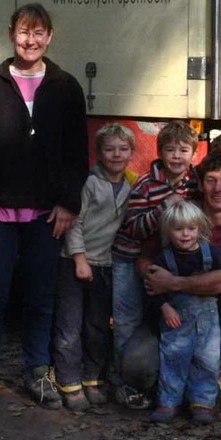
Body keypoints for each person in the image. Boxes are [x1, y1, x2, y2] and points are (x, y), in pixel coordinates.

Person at [0, 2, 88, 427]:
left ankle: (37, 372)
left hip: (45, 216)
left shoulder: (65, 88)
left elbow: (76, 153)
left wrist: (68, 203)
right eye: (22, 32)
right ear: (11, 34)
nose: (30, 41)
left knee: (39, 299)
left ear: (49, 37)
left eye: (38, 33)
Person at [111, 124, 221, 409]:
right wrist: (155, 280)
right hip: (174, 310)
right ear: (200, 183)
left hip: (215, 310)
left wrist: (174, 282)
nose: (218, 189)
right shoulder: (182, 215)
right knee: (136, 365)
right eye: (212, 181)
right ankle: (164, 389)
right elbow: (144, 257)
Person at [110, 120, 201, 409]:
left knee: (174, 320)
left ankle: (170, 382)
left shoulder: (195, 185)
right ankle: (125, 382)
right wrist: (163, 207)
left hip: (168, 263)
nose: (176, 156)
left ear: (193, 155)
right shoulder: (146, 186)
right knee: (127, 319)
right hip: (129, 257)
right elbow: (134, 227)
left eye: (183, 150)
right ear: (160, 152)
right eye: (170, 150)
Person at [51, 122, 136, 410]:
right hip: (76, 262)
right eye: (110, 149)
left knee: (98, 325)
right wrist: (79, 258)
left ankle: (93, 378)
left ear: (131, 154)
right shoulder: (88, 183)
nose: (116, 155)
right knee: (69, 325)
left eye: (123, 149)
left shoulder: (130, 185)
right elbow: (75, 221)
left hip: (107, 265)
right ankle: (69, 380)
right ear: (98, 153)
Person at [148, 201, 221, 424]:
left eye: (191, 229)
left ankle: (202, 403)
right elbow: (152, 289)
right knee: (174, 358)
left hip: (208, 320)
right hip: (176, 319)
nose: (185, 235)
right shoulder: (163, 259)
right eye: (179, 229)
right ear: (167, 231)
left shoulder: (212, 254)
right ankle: (168, 402)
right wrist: (165, 307)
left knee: (207, 360)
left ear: (200, 229)